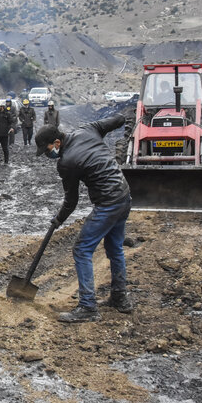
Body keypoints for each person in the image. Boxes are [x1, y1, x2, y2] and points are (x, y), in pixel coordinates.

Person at [34, 117, 134, 323]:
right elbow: (117, 120)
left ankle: (88, 306)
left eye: (47, 150)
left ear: (57, 143)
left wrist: (58, 219)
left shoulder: (67, 162)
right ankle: (120, 298)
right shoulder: (88, 128)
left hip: (108, 203)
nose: (47, 154)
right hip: (124, 195)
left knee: (82, 249)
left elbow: (71, 201)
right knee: (115, 248)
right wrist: (127, 119)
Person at [0, 99, 15, 164]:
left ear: (2, 107)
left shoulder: (7, 114)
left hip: (4, 134)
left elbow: (12, 122)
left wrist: (12, 128)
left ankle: (6, 161)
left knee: (5, 149)